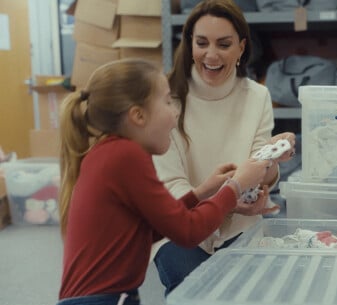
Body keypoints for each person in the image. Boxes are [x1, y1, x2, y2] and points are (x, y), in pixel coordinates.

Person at [56, 58, 271, 305]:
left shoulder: (108, 153)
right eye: (168, 101)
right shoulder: (126, 156)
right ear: (138, 115)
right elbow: (187, 231)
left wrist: (201, 192)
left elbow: (155, 227)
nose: (175, 111)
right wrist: (236, 187)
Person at [152, 0, 297, 295]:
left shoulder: (257, 96)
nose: (211, 54)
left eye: (224, 44)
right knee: (194, 287)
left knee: (255, 291)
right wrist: (226, 199)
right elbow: (170, 184)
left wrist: (272, 160)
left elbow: (260, 170)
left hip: (240, 222)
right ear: (190, 43)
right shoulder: (167, 98)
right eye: (202, 43)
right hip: (180, 225)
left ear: (241, 47)